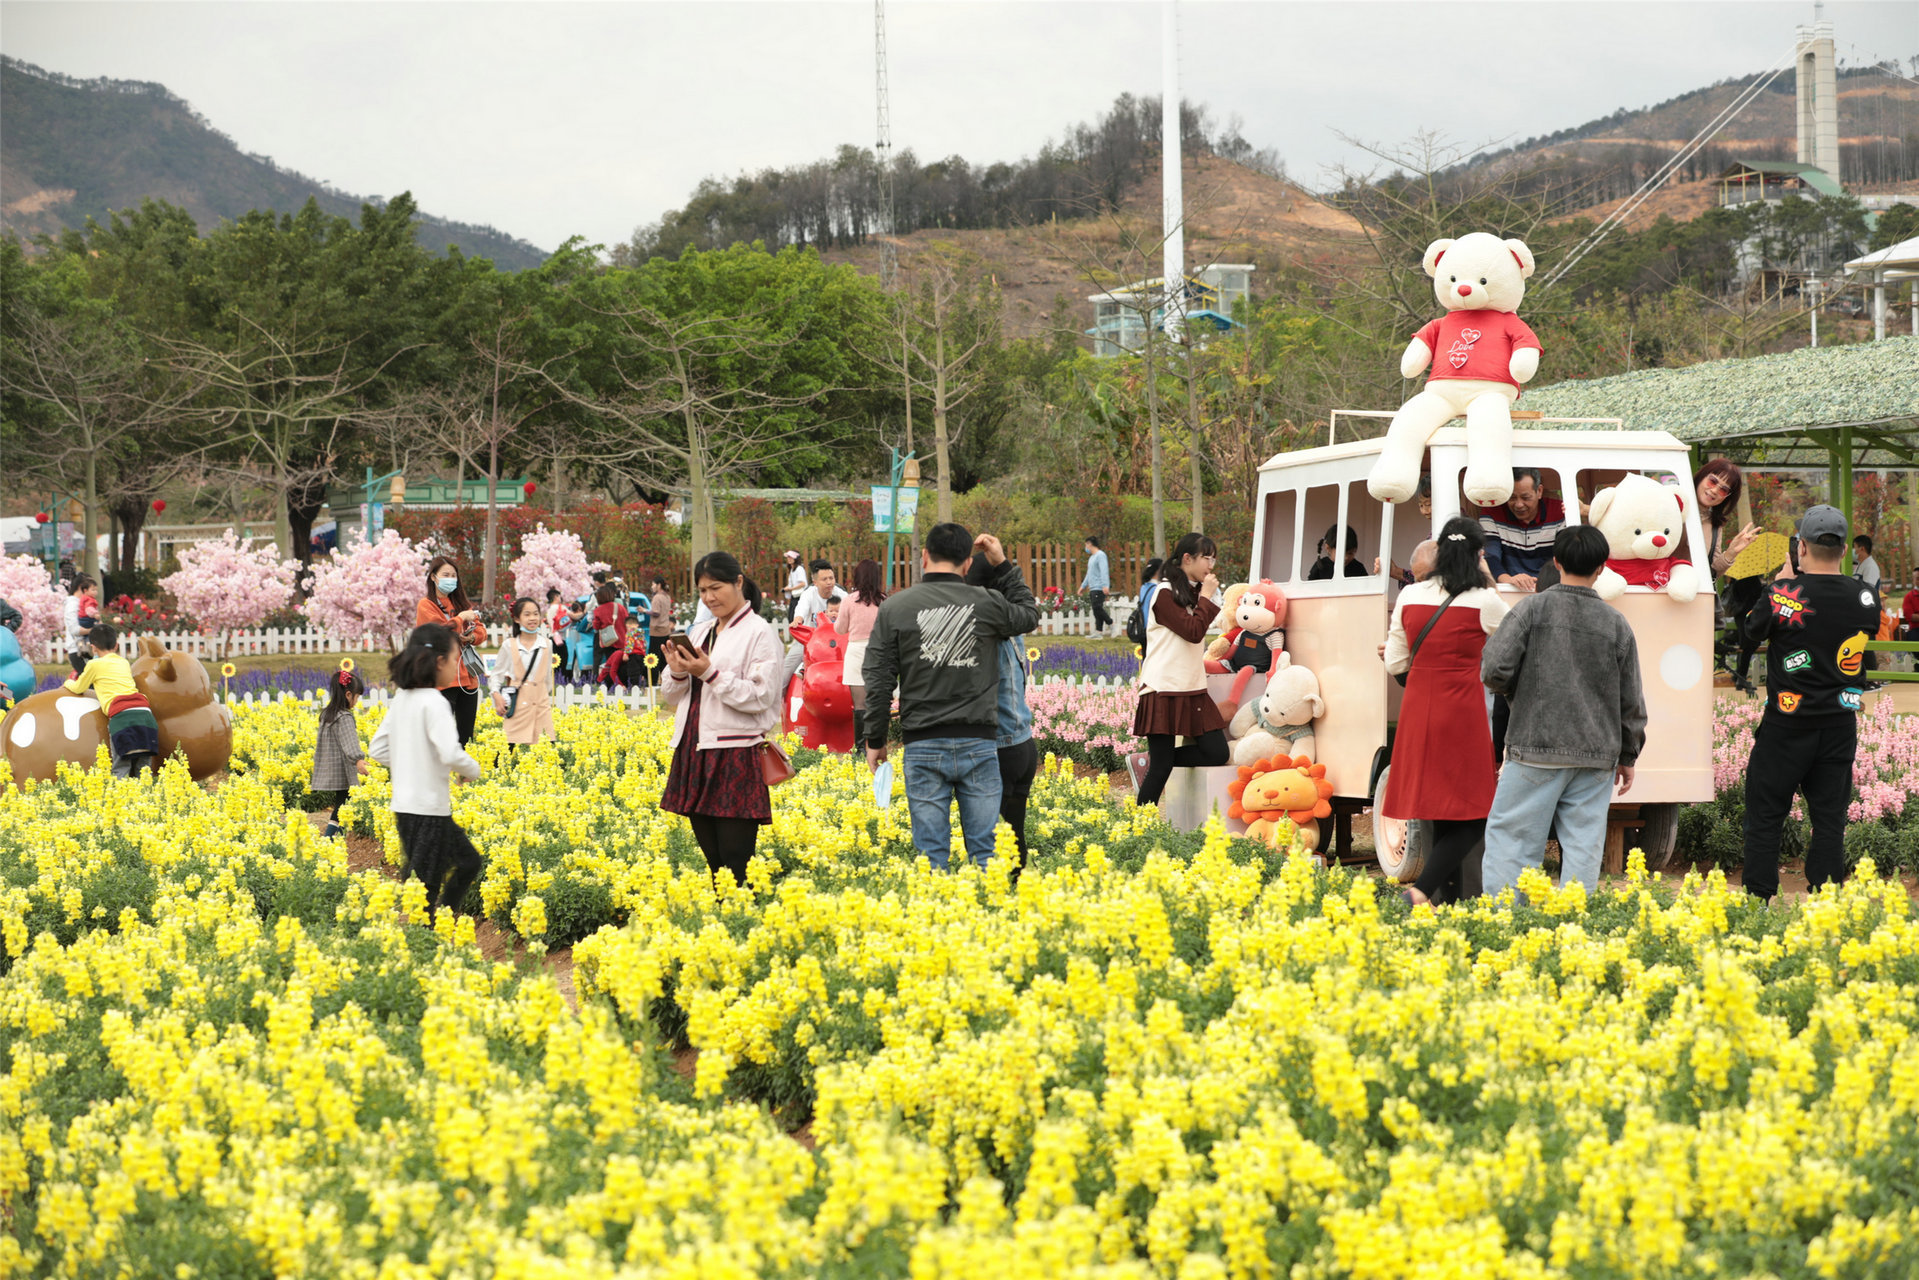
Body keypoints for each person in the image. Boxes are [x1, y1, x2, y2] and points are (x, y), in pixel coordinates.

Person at [1479, 526, 1647, 898]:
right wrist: (1628, 753)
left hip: (1534, 747)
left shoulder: (1529, 610)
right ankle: (1573, 927)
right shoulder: (1616, 623)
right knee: (1584, 846)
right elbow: (1631, 697)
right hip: (1597, 754)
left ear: (1555, 561)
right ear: (1602, 568)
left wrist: (1516, 694)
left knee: (1513, 843)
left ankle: (1506, 926)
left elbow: (1493, 671)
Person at [862, 522, 1039, 871]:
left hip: (923, 744)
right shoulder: (987, 603)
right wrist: (1003, 564)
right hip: (979, 743)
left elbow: (879, 678)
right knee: (987, 856)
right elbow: (1029, 615)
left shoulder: (896, 608)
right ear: (968, 564)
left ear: (924, 556)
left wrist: (875, 737)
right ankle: (991, 920)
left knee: (931, 858)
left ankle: (937, 918)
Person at [1738, 505, 1882, 901]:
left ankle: (1760, 900)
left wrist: (1781, 588)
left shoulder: (1783, 593)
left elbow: (1749, 633)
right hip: (1838, 724)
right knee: (1830, 818)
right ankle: (1826, 899)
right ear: (1845, 549)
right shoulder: (1866, 596)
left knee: (1766, 815)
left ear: (1801, 546)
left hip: (1786, 725)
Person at [1379, 518, 1509, 905]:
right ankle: (1421, 891)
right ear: (1476, 554)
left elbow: (1396, 663)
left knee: (1438, 806)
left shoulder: (1410, 596)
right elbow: (1511, 645)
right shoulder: (1484, 600)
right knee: (1475, 813)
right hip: (1463, 710)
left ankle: (1445, 901)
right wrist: (1486, 575)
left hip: (1419, 707)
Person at [660, 550, 784, 887]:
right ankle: (725, 916)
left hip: (735, 752)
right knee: (713, 858)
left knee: (735, 857)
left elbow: (761, 696)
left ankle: (745, 917)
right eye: (702, 591)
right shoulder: (700, 632)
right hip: (694, 747)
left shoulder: (760, 632)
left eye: (716, 587)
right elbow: (672, 696)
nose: (709, 597)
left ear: (738, 582)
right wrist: (678, 672)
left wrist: (709, 672)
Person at [369, 625, 484, 921]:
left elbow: (378, 750)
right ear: (440, 662)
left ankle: (432, 930)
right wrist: (473, 768)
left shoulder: (404, 699)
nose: (459, 664)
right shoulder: (435, 701)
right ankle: (431, 935)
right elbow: (449, 753)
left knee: (430, 879)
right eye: (456, 657)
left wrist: (412, 761)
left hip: (404, 809)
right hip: (430, 810)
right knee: (432, 884)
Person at [1129, 533, 1230, 807]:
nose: (1212, 563)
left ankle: (1150, 764)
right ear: (1187, 559)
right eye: (1207, 557)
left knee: (1216, 753)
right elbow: (1193, 631)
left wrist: (1206, 595)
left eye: (1213, 557)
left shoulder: (1193, 591)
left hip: (1191, 686)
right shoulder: (1164, 593)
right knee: (1161, 769)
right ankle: (1140, 822)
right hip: (1163, 686)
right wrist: (1207, 596)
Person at [969, 551, 1039, 870]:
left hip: (998, 746)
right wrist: (1007, 568)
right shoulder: (1013, 627)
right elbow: (1025, 602)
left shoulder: (985, 631)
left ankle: (999, 898)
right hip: (1023, 743)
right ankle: (1017, 894)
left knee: (986, 838)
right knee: (1014, 835)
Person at [64, 623, 161, 779]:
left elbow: (78, 688)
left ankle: (120, 801)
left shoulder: (94, 664)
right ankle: (146, 800)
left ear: (93, 647)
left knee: (121, 768)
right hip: (145, 715)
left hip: (122, 718)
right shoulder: (123, 662)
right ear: (116, 645)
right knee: (143, 770)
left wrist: (67, 683)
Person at [415, 557, 487, 746]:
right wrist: (461, 619)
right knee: (441, 737)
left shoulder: (462, 603)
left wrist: (470, 637)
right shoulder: (426, 605)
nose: (451, 579)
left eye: (454, 575)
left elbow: (481, 632)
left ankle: (461, 774)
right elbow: (439, 633)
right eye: (446, 575)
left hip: (468, 679)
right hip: (443, 679)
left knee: (465, 737)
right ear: (433, 577)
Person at [1478, 468, 1565, 593]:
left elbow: (1564, 558)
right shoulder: (1491, 513)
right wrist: (1509, 580)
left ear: (1539, 491)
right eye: (1512, 498)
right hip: (1508, 590)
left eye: (1525, 497)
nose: (1519, 504)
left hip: (1550, 590)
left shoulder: (1560, 511)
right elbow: (1490, 557)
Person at [310, 668, 370, 838]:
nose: (357, 701)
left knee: (342, 802)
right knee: (344, 803)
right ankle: (331, 838)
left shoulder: (327, 714)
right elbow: (349, 742)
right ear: (348, 695)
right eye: (357, 697)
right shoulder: (344, 717)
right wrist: (358, 760)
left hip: (331, 765)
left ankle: (335, 836)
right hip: (343, 767)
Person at [496, 596, 557, 749]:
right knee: (507, 749)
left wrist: (543, 693)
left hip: (540, 704)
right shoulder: (509, 645)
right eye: (527, 614)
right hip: (518, 704)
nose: (532, 618)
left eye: (536, 614)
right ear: (517, 619)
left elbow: (547, 678)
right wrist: (496, 696)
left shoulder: (547, 644)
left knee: (547, 749)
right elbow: (497, 675)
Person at [786, 560, 847, 685]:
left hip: (836, 645)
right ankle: (779, 702)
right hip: (809, 643)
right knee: (785, 670)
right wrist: (798, 619)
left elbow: (853, 609)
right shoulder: (808, 594)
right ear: (815, 582)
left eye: (831, 578)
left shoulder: (842, 595)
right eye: (824, 579)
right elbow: (801, 609)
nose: (829, 582)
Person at [836, 558, 885, 712]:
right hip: (878, 651)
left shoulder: (849, 601)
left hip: (856, 652)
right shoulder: (883, 601)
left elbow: (840, 629)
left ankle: (861, 737)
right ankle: (878, 736)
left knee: (859, 705)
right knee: (878, 704)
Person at [590, 583, 628, 687]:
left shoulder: (598, 610)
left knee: (611, 664)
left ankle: (612, 684)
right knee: (622, 663)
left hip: (609, 642)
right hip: (622, 640)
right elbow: (627, 621)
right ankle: (623, 683)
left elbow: (596, 627)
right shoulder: (620, 607)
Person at [64, 574, 99, 675]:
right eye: (92, 588)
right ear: (82, 588)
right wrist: (94, 630)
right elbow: (75, 630)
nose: (95, 592)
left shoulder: (83, 603)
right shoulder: (72, 604)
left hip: (87, 650)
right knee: (91, 687)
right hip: (79, 651)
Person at [648, 573, 675, 686]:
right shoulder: (667, 597)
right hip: (665, 630)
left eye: (653, 584)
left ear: (658, 585)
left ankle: (653, 681)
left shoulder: (657, 597)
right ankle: (665, 680)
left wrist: (644, 611)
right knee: (664, 656)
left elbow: (656, 612)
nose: (652, 586)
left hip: (656, 630)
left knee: (653, 656)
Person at [1081, 536, 1112, 635]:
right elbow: (1089, 573)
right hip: (1092, 587)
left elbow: (1104, 571)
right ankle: (1098, 632)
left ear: (1090, 544)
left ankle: (1111, 624)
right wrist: (1083, 586)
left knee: (1097, 607)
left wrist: (1105, 585)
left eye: (1086, 545)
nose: (1086, 547)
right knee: (1095, 610)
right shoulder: (1091, 558)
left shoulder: (1101, 555)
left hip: (1099, 587)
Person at [782, 550, 807, 621]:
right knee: (791, 617)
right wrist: (785, 589)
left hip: (800, 597)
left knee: (796, 617)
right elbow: (791, 584)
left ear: (795, 558)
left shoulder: (799, 569)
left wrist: (791, 589)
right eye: (788, 557)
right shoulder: (792, 570)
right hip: (795, 596)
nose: (789, 559)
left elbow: (803, 583)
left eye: (791, 557)